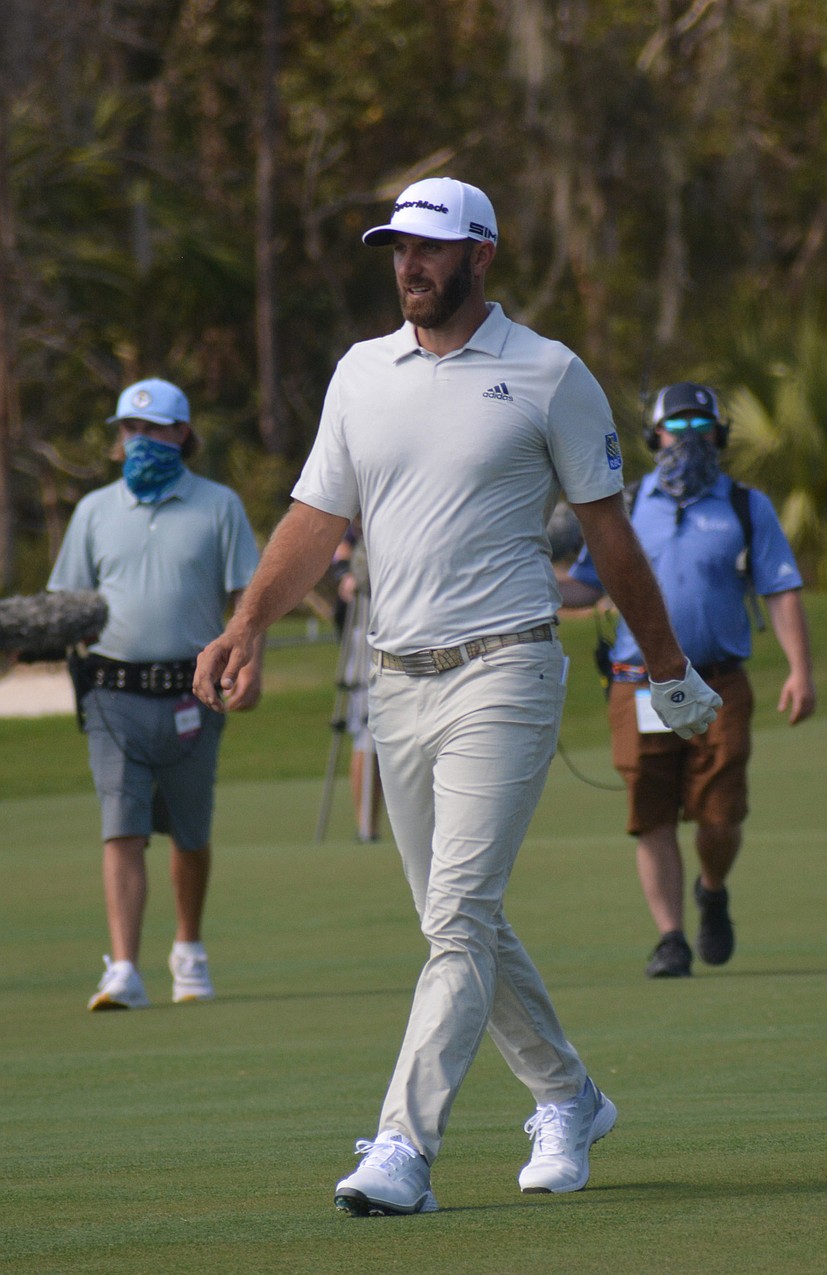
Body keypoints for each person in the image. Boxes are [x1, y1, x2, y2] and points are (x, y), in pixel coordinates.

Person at [193, 178, 720, 1215]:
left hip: (507, 669)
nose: (408, 266)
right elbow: (313, 517)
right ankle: (568, 1095)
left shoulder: (547, 374)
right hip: (397, 682)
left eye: (429, 248)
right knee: (457, 919)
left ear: (482, 254)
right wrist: (246, 622)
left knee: (457, 915)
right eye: (396, 247)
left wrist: (666, 666)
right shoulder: (359, 374)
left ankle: (402, 1147)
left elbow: (608, 533)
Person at [562, 381, 816, 978]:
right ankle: (670, 938)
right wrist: (527, 578)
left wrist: (801, 669)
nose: (690, 442)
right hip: (637, 682)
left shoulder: (745, 506)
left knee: (720, 815)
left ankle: (712, 887)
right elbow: (584, 586)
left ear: (721, 439)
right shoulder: (620, 505)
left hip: (720, 681)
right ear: (654, 439)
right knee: (649, 812)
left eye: (703, 431)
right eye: (678, 431)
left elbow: (780, 591)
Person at [48, 377, 263, 1011]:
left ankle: (188, 949)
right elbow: (68, 605)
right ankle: (123, 969)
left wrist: (253, 664)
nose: (141, 440)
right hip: (111, 695)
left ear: (183, 435)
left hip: (194, 694)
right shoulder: (93, 511)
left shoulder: (218, 505)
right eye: (130, 430)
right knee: (123, 828)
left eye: (155, 429)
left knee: (190, 834)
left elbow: (246, 597)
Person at [330, 529, 383, 841]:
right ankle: (366, 825)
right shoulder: (353, 529)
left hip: (402, 627)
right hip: (364, 632)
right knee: (366, 735)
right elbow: (341, 558)